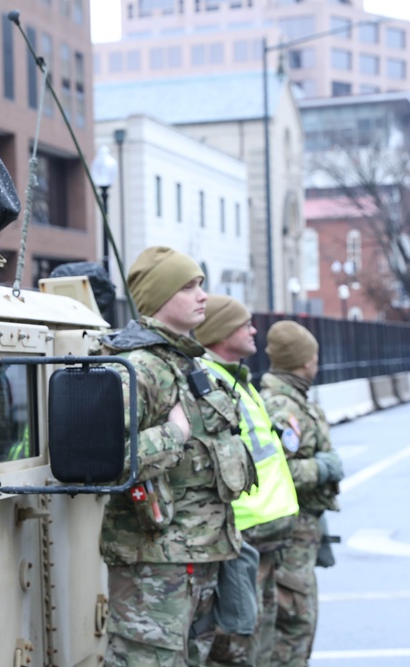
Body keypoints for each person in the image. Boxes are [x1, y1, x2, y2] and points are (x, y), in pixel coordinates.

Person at [100, 246, 257, 666]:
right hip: (155, 568)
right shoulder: (137, 368)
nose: (202, 295)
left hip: (200, 558)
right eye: (188, 287)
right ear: (158, 297)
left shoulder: (188, 364)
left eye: (201, 284)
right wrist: (173, 434)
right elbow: (102, 458)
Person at [192, 296, 300, 667]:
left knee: (260, 642)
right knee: (236, 648)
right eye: (245, 324)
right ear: (222, 332)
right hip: (242, 536)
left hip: (261, 533)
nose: (255, 331)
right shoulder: (210, 381)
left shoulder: (237, 380)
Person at [259, 321, 344, 667]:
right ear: (306, 360)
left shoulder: (294, 400)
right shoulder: (283, 407)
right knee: (291, 629)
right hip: (287, 536)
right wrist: (323, 469)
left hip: (301, 533)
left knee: (300, 624)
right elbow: (276, 472)